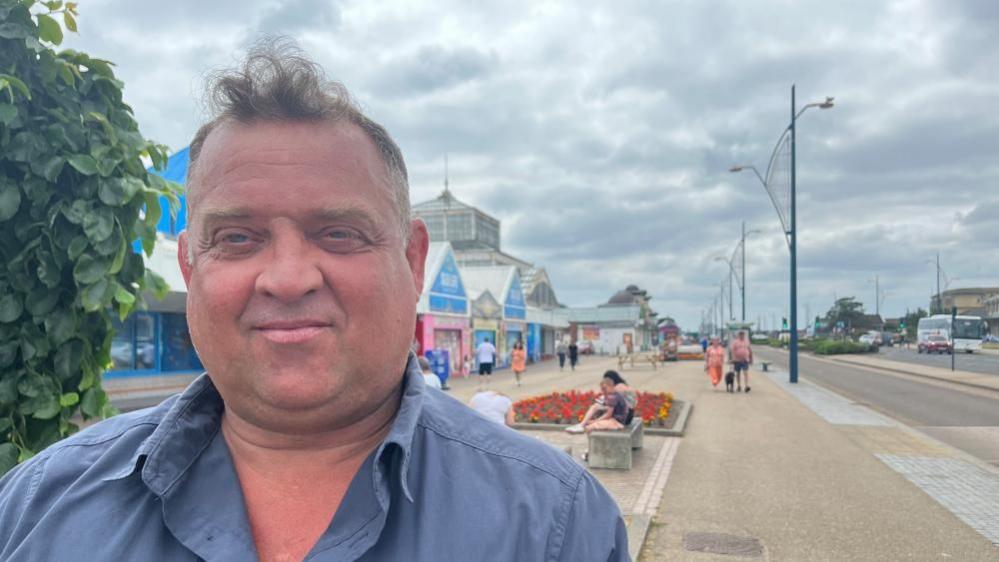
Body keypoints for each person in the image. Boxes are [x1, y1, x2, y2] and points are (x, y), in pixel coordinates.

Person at [0, 40, 628, 561]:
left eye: (338, 234)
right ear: (189, 265)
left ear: (412, 262)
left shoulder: (556, 525)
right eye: (238, 238)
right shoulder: (35, 507)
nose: (289, 277)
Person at [566, 371, 635, 434]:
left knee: (594, 413)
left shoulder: (618, 388)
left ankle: (582, 426)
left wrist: (596, 420)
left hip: (622, 418)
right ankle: (582, 425)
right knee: (595, 408)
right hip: (626, 415)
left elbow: (609, 409)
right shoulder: (622, 386)